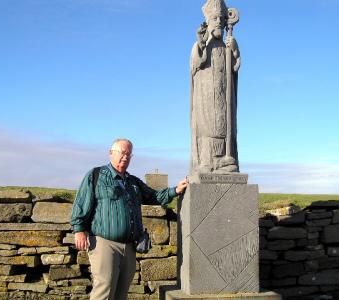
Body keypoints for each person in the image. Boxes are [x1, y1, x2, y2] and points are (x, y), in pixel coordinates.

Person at [70, 138, 188, 300]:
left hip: (130, 246)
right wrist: (79, 230)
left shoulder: (133, 182)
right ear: (111, 153)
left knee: (122, 292)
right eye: (122, 152)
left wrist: (176, 190)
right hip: (104, 243)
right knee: (104, 290)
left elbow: (154, 196)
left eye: (129, 154)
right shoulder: (96, 175)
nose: (125, 157)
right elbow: (81, 203)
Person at [190, 0, 241, 173]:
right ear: (208, 21)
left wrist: (234, 50)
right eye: (215, 18)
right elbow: (195, 64)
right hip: (206, 94)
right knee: (209, 126)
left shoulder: (228, 44)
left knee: (225, 125)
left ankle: (226, 161)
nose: (219, 21)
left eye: (221, 18)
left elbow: (235, 68)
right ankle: (207, 162)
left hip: (224, 94)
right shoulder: (201, 44)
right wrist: (202, 43)